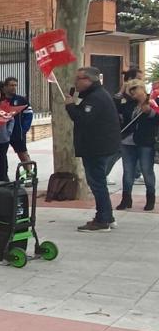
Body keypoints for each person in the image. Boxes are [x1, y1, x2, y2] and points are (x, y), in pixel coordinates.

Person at [66, 67, 122, 232]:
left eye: (79, 78)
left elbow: (83, 120)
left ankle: (102, 219)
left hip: (96, 148)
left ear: (89, 80)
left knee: (97, 184)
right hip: (98, 146)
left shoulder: (95, 98)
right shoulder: (94, 96)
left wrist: (70, 106)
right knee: (99, 183)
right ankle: (107, 216)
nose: (75, 82)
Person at [115, 79, 157, 211]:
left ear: (142, 88)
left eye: (136, 89)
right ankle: (126, 198)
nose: (134, 93)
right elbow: (114, 106)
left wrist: (149, 112)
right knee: (128, 172)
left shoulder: (153, 102)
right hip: (127, 142)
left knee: (146, 171)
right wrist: (121, 92)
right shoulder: (129, 104)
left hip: (145, 142)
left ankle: (150, 198)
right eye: (131, 91)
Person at [2, 77, 34, 166]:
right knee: (0, 155)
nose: (14, 87)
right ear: (5, 87)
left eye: (15, 85)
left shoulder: (21, 100)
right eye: (11, 85)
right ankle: (1, 175)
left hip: (17, 132)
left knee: (22, 153)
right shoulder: (0, 100)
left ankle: (29, 173)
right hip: (2, 132)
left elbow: (29, 114)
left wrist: (24, 129)